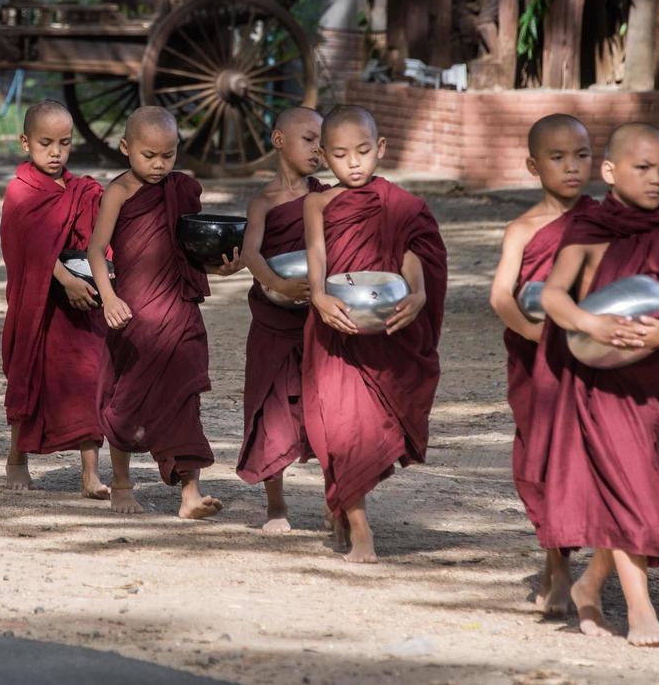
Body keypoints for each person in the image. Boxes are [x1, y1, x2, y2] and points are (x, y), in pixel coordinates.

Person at [536, 122, 659, 647]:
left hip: (655, 386)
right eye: (643, 168)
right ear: (610, 171)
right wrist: (589, 324)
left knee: (634, 488)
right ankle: (642, 613)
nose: (657, 180)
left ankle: (590, 586)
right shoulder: (591, 228)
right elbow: (554, 296)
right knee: (632, 487)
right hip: (600, 384)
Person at [303, 104, 448, 562]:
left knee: (373, 427)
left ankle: (347, 504)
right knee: (340, 424)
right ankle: (361, 528)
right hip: (335, 326)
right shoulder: (317, 203)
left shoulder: (401, 203)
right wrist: (318, 297)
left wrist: (419, 293)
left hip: (384, 327)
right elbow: (317, 257)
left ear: (380, 148)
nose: (353, 163)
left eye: (363, 151)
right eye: (341, 154)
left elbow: (412, 253)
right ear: (324, 156)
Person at [86, 106, 240, 518]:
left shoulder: (184, 190)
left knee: (185, 397)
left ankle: (190, 494)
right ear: (125, 148)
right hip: (132, 313)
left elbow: (186, 250)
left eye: (167, 156)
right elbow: (96, 250)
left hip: (179, 311)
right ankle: (121, 483)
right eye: (148, 155)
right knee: (127, 398)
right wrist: (109, 297)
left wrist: (221, 265)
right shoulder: (118, 192)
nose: (158, 165)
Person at [487, 114, 594, 614]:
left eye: (581, 155)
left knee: (587, 460)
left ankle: (580, 568)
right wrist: (534, 334)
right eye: (558, 158)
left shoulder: (607, 221)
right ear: (534, 165)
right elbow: (502, 296)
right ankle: (558, 564)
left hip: (595, 361)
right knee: (539, 461)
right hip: (536, 359)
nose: (572, 167)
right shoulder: (523, 228)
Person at [0, 99, 109, 496]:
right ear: (25, 142)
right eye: (46, 143)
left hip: (81, 305)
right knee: (28, 378)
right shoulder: (20, 192)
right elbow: (24, 250)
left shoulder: (83, 191)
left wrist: (96, 283)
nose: (56, 152)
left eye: (64, 143)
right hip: (38, 307)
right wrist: (65, 281)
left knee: (90, 379)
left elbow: (98, 241)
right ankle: (16, 458)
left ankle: (90, 473)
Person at [236, 106, 326, 532]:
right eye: (308, 139)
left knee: (329, 410)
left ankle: (338, 502)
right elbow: (250, 252)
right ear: (278, 140)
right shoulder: (264, 202)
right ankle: (276, 507)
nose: (318, 149)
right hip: (273, 316)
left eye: (321, 142)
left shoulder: (327, 195)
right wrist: (279, 285)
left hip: (320, 320)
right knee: (268, 407)